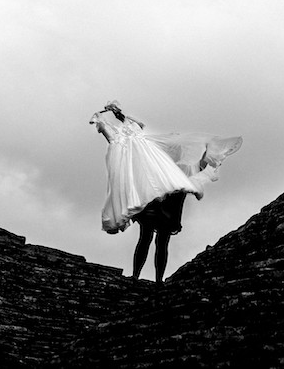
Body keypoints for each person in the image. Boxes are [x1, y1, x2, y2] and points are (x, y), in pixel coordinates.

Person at [90, 100, 242, 282]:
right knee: (152, 240)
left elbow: (199, 166)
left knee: (154, 241)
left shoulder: (177, 168)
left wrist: (210, 152)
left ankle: (151, 278)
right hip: (161, 208)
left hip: (165, 208)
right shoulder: (166, 166)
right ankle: (148, 277)